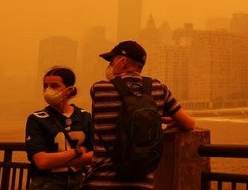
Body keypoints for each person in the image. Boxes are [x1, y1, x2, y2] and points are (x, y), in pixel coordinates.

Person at [82, 40, 195, 188]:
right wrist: (165, 120)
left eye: (111, 61)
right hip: (142, 184)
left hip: (101, 182)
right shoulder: (159, 89)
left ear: (122, 62)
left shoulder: (99, 89)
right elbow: (189, 124)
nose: (109, 66)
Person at [25, 67, 94, 189]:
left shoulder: (84, 117)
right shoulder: (36, 119)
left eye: (54, 86)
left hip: (79, 182)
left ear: (69, 90)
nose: (48, 90)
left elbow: (96, 155)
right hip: (47, 183)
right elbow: (42, 162)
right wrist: (78, 152)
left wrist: (58, 161)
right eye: (45, 86)